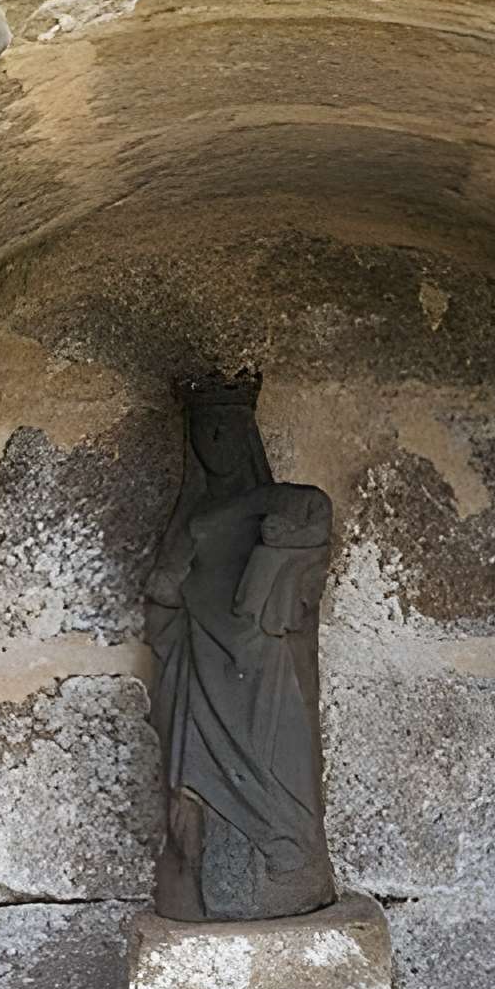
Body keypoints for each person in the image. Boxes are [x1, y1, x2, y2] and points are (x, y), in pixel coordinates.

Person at [141, 375, 340, 923]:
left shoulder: (272, 504)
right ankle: (205, 885)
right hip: (200, 673)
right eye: (204, 432)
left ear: (246, 435)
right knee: (200, 780)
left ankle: (289, 866)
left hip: (261, 669)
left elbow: (312, 516)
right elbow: (163, 598)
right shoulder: (191, 522)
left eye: (226, 429)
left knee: (277, 767)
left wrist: (268, 535)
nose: (215, 442)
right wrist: (164, 594)